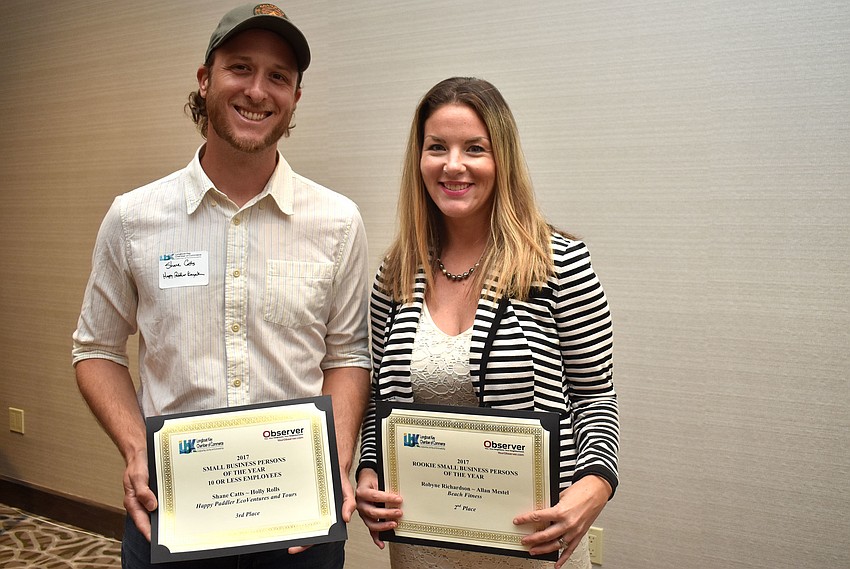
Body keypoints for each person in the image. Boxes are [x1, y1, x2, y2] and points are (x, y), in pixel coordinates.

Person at [72, 4, 370, 568]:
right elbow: (96, 349)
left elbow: (347, 355)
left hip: (298, 523)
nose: (258, 90)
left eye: (278, 76)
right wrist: (136, 449)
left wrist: (334, 461)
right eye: (240, 67)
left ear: (295, 97)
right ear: (205, 79)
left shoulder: (337, 222)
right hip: (171, 510)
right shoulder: (133, 218)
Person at [355, 77, 619, 569]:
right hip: (422, 548)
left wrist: (596, 484)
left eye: (474, 148)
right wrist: (369, 469)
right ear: (419, 159)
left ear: (502, 160)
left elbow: (595, 397)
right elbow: (379, 402)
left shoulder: (558, 264)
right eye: (437, 147)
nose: (453, 164)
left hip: (531, 545)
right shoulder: (395, 273)